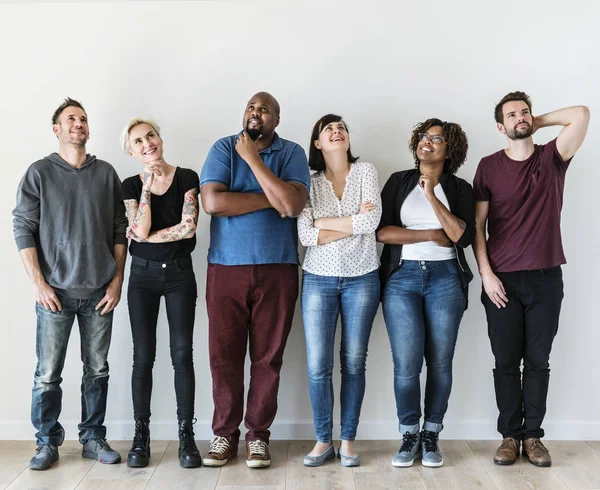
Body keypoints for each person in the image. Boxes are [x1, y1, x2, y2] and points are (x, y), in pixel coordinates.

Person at [473, 92, 590, 467]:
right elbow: (477, 227)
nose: (520, 117)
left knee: (538, 362)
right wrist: (486, 275)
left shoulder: (552, 158)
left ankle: (534, 438)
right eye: (512, 115)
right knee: (506, 361)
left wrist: (537, 122)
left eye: (524, 111)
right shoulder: (488, 166)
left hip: (545, 278)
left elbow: (581, 114)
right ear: (500, 126)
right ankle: (509, 436)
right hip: (501, 279)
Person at [13, 98, 127, 470]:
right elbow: (22, 227)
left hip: (98, 292)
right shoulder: (39, 173)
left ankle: (93, 437)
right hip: (55, 294)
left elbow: (118, 231)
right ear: (56, 130)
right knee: (47, 374)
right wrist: (38, 284)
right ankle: (47, 442)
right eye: (70, 119)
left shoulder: (106, 173)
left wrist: (116, 283)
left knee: (97, 370)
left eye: (83, 119)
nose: (78, 124)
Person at [200, 92, 310, 468]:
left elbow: (294, 206)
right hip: (225, 268)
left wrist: (252, 162)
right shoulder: (223, 147)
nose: (255, 112)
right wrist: (273, 197)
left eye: (264, 109)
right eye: (250, 106)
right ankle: (224, 435)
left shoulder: (292, 152)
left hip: (278, 269)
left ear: (276, 120)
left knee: (268, 359)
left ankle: (258, 437)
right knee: (223, 358)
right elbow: (213, 203)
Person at [377, 118, 474, 468]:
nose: (427, 142)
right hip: (401, 278)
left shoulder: (460, 188)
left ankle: (431, 434)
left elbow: (460, 235)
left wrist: (431, 194)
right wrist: (428, 236)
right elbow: (382, 233)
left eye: (437, 139)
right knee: (406, 365)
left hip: (446, 278)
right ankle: (408, 434)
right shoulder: (398, 182)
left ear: (450, 151)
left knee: (440, 363)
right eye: (423, 136)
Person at [297, 114, 381, 468]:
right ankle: (322, 440)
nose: (337, 131)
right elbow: (305, 235)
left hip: (363, 277)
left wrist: (323, 222)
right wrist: (351, 224)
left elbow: (371, 222)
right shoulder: (309, 181)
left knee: (354, 362)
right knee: (318, 365)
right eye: (328, 129)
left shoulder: (366, 172)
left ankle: (347, 440)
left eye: (342, 127)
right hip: (317, 278)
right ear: (317, 143)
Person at [120, 118, 201, 469]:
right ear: (131, 151)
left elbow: (188, 227)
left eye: (149, 135)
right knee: (143, 357)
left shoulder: (188, 177)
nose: (146, 144)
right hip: (142, 278)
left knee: (182, 354)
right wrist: (148, 187)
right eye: (137, 142)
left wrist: (144, 239)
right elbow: (138, 225)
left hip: (180, 274)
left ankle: (187, 437)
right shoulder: (128, 185)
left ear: (160, 138)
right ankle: (141, 436)